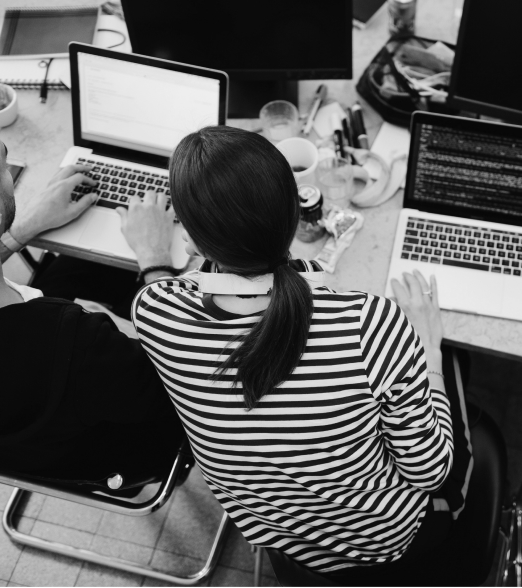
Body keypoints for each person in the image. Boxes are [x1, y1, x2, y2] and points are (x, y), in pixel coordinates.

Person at [130, 126, 472, 582]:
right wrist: (428, 349)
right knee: (459, 377)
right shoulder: (371, 324)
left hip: (283, 542)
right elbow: (430, 472)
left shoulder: (154, 312)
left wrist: (152, 256)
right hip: (387, 541)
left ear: (191, 242)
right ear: (296, 213)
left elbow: (161, 290)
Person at [0, 119, 184, 490]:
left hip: (9, 446)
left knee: (70, 268)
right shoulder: (75, 339)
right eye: (6, 164)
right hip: (119, 457)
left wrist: (23, 228)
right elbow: (180, 379)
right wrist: (155, 260)